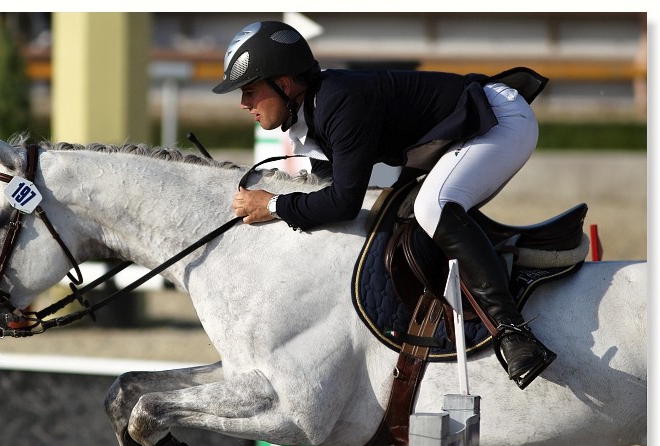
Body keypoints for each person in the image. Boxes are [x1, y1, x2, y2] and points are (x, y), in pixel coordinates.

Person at [213, 20, 555, 384]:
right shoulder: (317, 107)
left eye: (249, 90)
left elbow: (344, 203)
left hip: (499, 123)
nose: (243, 103)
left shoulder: (337, 101)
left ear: (283, 85)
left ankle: (513, 332)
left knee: (433, 207)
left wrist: (274, 206)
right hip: (464, 134)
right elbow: (352, 188)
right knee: (409, 213)